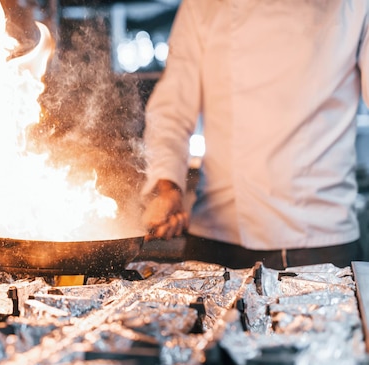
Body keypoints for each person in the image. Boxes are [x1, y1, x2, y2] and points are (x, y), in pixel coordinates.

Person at [141, 0, 366, 270]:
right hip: (215, 234)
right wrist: (168, 188)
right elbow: (171, 112)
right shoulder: (203, 5)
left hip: (317, 236)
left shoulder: (353, 5)